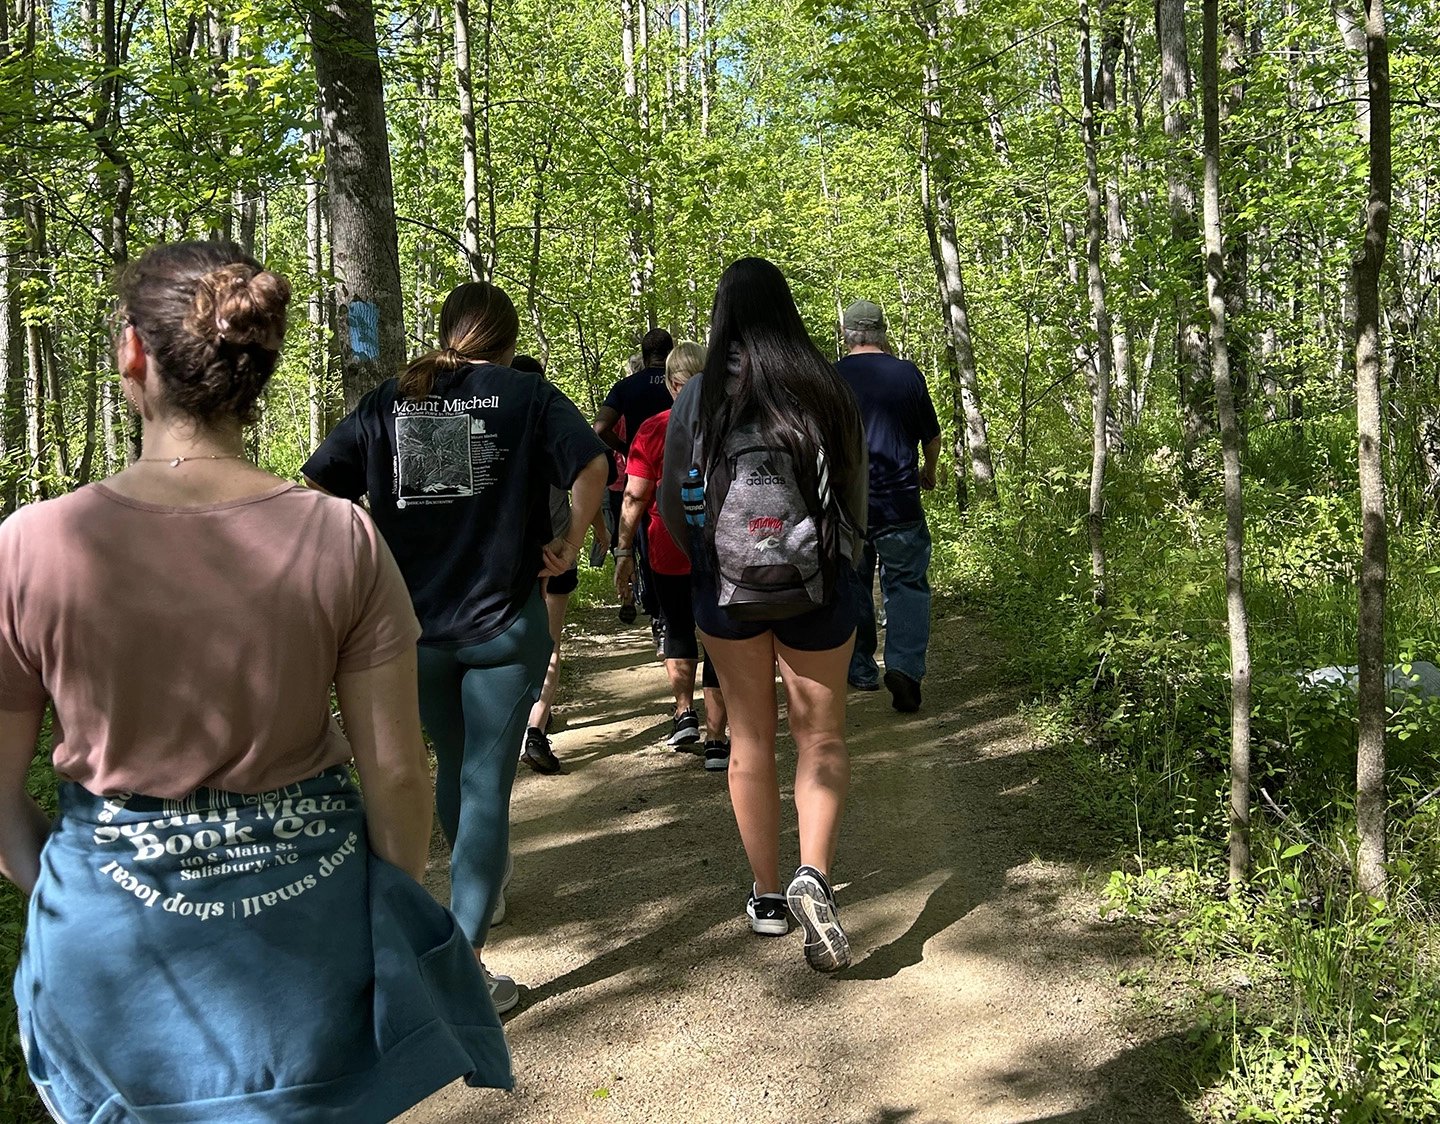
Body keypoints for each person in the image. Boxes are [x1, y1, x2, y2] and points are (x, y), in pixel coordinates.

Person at [0, 241, 511, 1122]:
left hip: (105, 964)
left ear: (133, 352)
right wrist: (381, 909)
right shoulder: (340, 538)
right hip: (303, 960)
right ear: (260, 368)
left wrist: (70, 881)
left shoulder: (32, 545)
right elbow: (396, 772)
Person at [304, 282, 608, 1013]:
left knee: (453, 761)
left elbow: (316, 485)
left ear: (447, 332)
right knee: (485, 782)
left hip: (409, 630)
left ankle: (481, 896)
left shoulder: (388, 399)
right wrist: (568, 542)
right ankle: (465, 956)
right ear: (504, 340)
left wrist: (362, 562)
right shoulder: (525, 397)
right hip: (504, 623)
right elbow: (593, 465)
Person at [658, 258, 868, 972]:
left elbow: (673, 499)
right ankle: (817, 874)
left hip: (726, 590)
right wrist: (846, 561)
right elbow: (853, 493)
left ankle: (770, 897)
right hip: (818, 581)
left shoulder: (698, 396)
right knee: (822, 736)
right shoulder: (825, 383)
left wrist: (709, 558)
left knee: (749, 738)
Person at [615, 341, 730, 769]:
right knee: (719, 636)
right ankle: (718, 740)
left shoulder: (653, 428)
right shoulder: (729, 422)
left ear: (670, 383)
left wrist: (624, 549)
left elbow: (634, 496)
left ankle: (684, 714)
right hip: (722, 547)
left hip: (668, 543)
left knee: (678, 626)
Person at [834, 299, 941, 713]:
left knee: (854, 584)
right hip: (900, 502)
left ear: (847, 335)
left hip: (848, 508)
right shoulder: (907, 374)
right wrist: (928, 471)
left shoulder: (832, 378)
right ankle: (905, 668)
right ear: (883, 332)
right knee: (907, 586)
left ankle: (860, 667)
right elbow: (930, 437)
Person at [511, 353, 611, 775]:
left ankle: (510, 725)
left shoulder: (493, 429)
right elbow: (586, 478)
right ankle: (535, 729)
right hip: (555, 553)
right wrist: (598, 531)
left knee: (510, 642)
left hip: (507, 559)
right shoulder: (555, 427)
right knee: (548, 644)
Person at [595, 331, 674, 646]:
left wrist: (628, 449)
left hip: (640, 476)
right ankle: (683, 614)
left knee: (645, 548)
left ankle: (658, 619)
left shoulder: (626, 387)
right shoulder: (682, 385)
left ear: (643, 355)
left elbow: (600, 427)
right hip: (683, 476)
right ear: (671, 354)